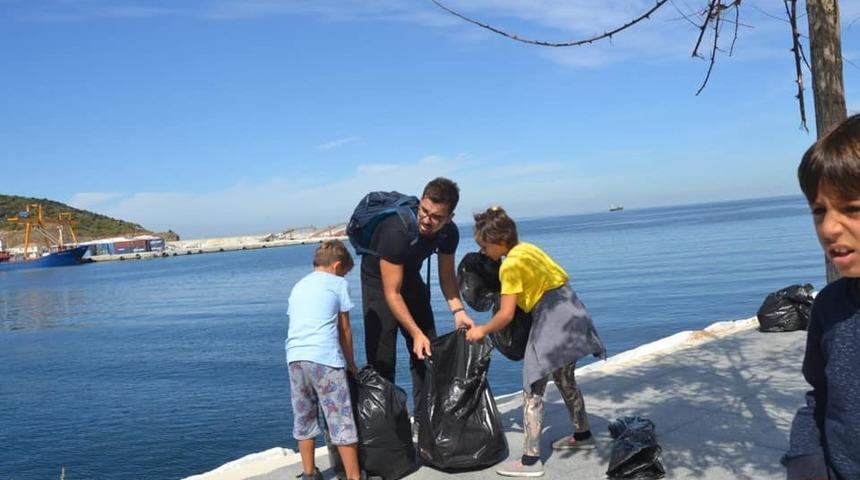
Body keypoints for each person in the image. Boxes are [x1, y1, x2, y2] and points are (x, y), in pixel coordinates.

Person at [465, 206, 606, 477]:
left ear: (500, 242)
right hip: (574, 310)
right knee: (565, 379)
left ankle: (530, 461)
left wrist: (481, 330)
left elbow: (506, 315)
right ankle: (583, 434)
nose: (483, 252)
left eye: (484, 246)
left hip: (552, 318)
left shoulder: (510, 265)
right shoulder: (528, 249)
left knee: (533, 385)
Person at [360, 177, 475, 430]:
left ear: (450, 217)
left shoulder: (449, 233)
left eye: (436, 216)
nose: (426, 220)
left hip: (411, 279)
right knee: (382, 358)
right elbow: (392, 293)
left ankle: (426, 423)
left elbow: (447, 277)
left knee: (428, 350)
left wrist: (458, 311)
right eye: (424, 211)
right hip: (379, 284)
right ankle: (385, 430)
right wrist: (415, 334)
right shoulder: (395, 231)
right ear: (420, 203)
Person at [783, 114, 860, 480]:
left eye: (852, 209)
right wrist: (805, 461)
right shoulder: (829, 306)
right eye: (819, 210)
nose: (829, 228)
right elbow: (819, 397)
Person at [286, 240, 361, 480]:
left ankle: (309, 473)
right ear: (338, 266)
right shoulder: (338, 283)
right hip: (325, 359)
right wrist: (351, 363)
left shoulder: (298, 286)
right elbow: (345, 329)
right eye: (345, 271)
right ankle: (354, 477)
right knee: (341, 420)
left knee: (304, 416)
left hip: (295, 358)